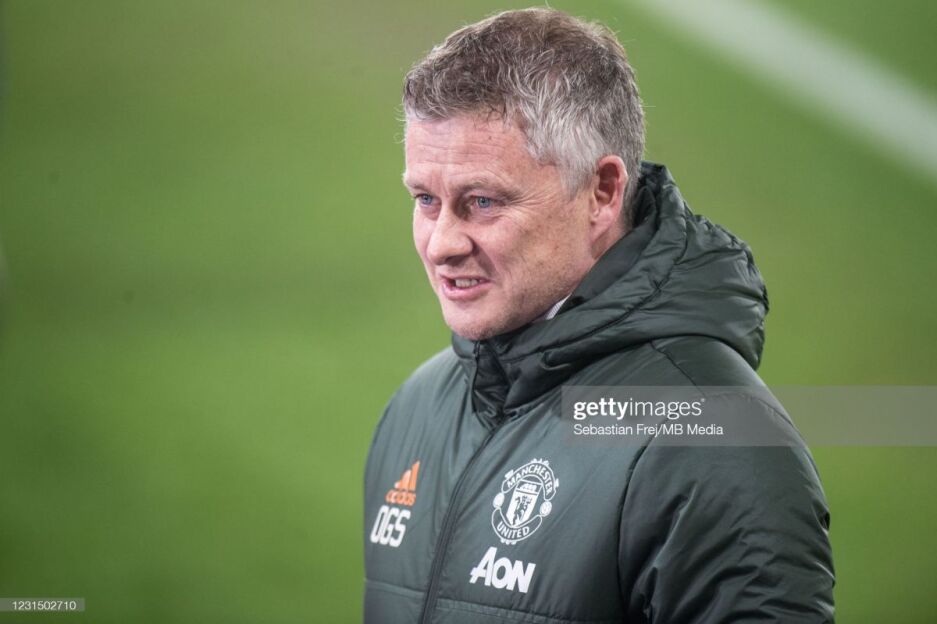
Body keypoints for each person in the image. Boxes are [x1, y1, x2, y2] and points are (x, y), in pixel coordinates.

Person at [364, 8, 834, 623]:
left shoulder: (712, 441)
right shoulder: (420, 405)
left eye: (481, 201)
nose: (441, 244)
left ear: (602, 192)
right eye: (426, 199)